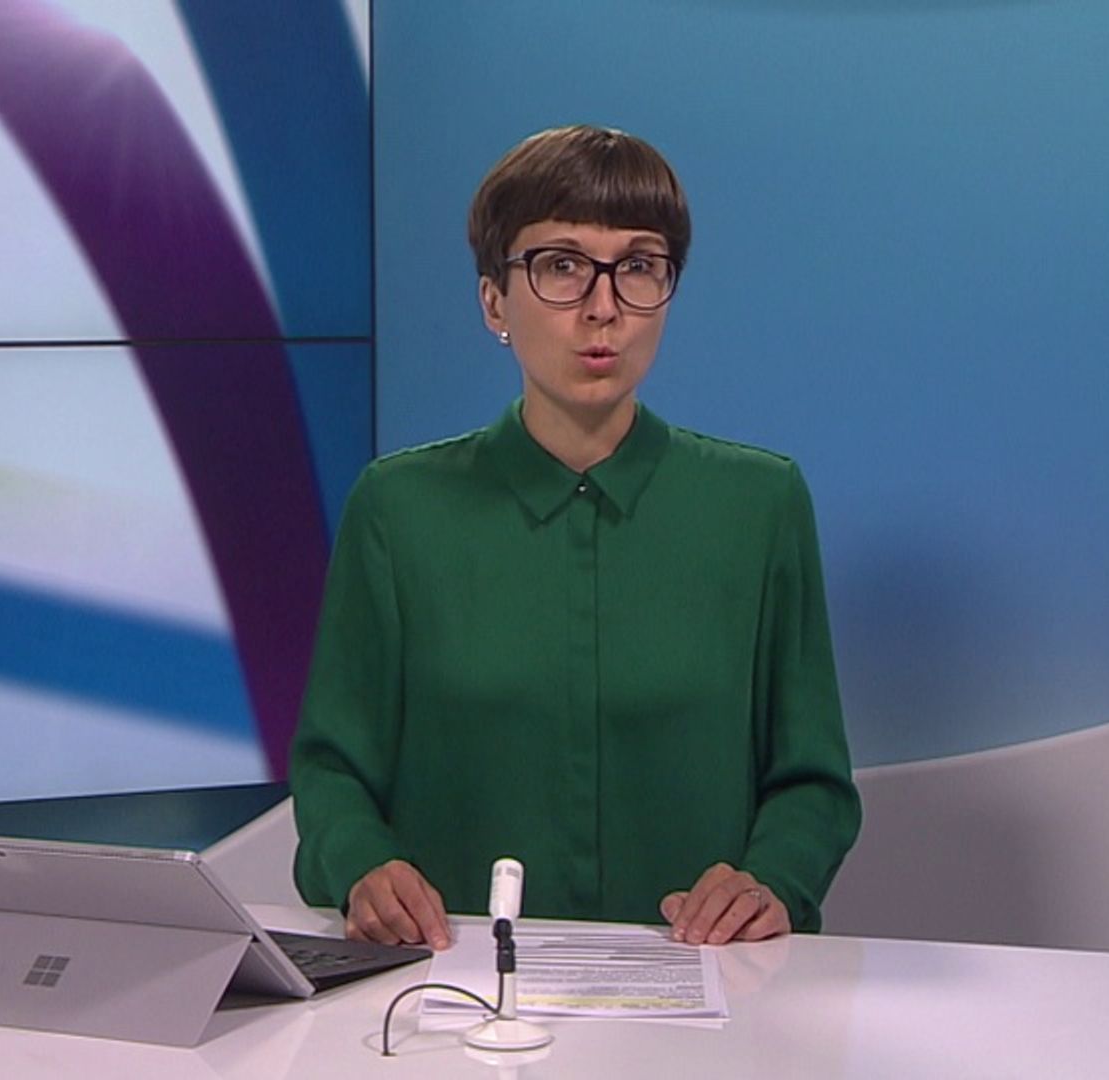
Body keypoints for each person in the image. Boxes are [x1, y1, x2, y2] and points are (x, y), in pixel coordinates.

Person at [288, 124, 860, 952]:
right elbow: (332, 770)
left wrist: (772, 880)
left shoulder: (760, 504)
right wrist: (362, 866)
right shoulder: (398, 508)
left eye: (639, 266)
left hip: (702, 984)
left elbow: (814, 785)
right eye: (561, 266)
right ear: (494, 300)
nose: (604, 307)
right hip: (455, 985)